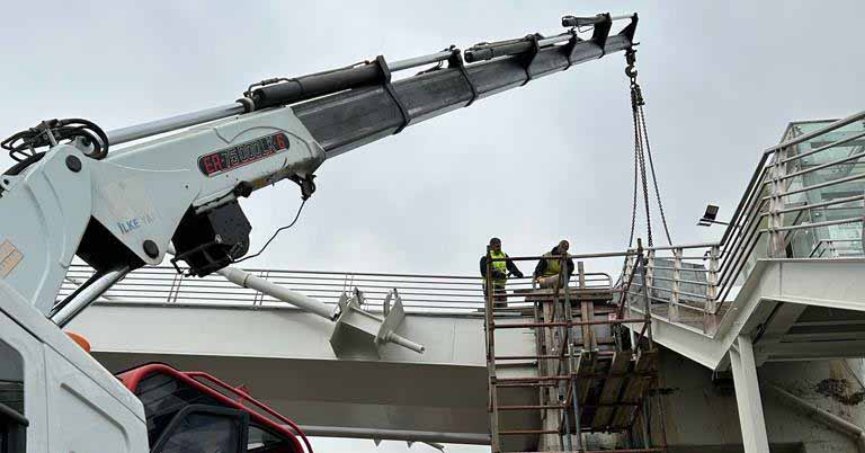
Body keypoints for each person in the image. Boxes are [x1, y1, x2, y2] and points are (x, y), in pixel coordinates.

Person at [479, 237, 524, 308]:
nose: (498, 248)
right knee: (492, 305)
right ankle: (491, 317)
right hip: (490, 285)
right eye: (496, 246)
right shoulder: (486, 257)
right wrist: (497, 274)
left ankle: (501, 317)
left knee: (503, 305)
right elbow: (484, 272)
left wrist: (518, 273)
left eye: (499, 246)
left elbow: (511, 266)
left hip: (501, 286)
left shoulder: (503, 255)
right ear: (491, 246)